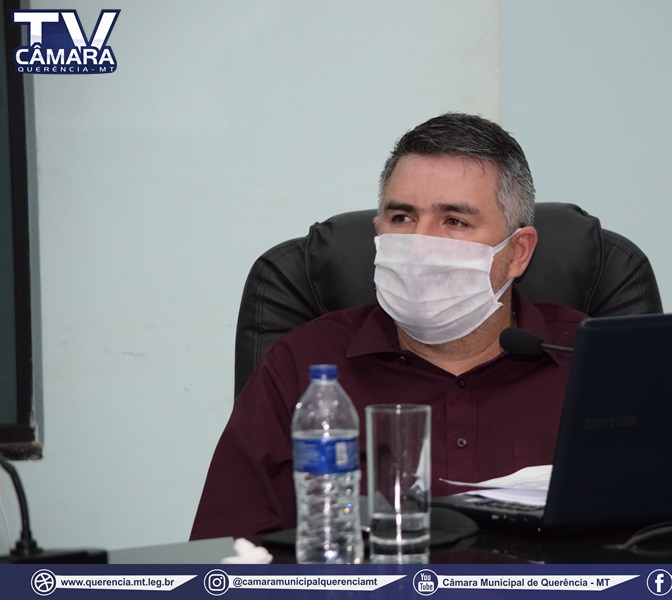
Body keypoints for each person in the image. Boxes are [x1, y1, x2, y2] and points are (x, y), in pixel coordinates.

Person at [190, 113, 588, 540]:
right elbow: (227, 550)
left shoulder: (590, 361)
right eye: (402, 218)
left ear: (518, 252)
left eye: (455, 221)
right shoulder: (302, 365)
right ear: (378, 232)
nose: (420, 243)